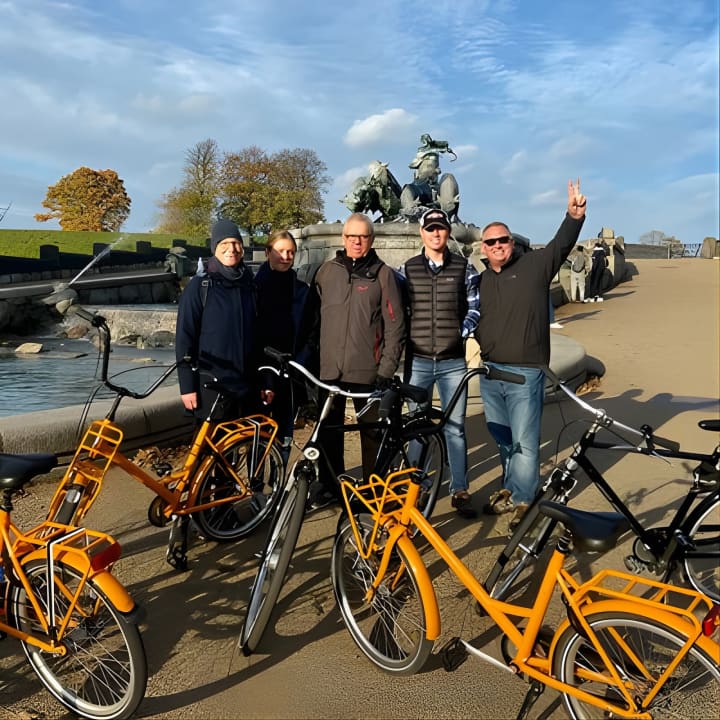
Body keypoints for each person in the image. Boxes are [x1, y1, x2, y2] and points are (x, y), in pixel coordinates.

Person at [474, 179, 587, 530]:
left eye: (502, 240)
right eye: (490, 242)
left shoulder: (535, 266)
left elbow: (560, 245)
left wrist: (573, 216)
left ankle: (525, 499)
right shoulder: (481, 280)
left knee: (524, 440)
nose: (497, 246)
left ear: (511, 242)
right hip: (491, 372)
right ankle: (512, 487)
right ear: (483, 247)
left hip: (525, 373)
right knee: (504, 438)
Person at [311, 212, 406, 509]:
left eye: (362, 237)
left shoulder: (383, 274)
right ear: (343, 238)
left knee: (372, 435)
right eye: (351, 236)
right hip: (329, 369)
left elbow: (395, 325)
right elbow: (315, 320)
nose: (356, 242)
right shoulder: (327, 272)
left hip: (368, 371)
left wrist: (387, 369)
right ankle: (330, 485)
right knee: (328, 431)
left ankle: (375, 490)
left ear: (371, 240)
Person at [397, 208, 481, 518]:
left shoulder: (464, 268)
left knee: (455, 428)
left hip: (452, 361)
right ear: (421, 233)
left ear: (448, 233)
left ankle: (459, 488)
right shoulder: (406, 269)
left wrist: (464, 328)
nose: (435, 233)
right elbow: (397, 309)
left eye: (441, 228)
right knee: (417, 428)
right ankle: (413, 489)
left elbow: (475, 307)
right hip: (418, 360)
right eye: (430, 228)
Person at [175, 218, 261, 421]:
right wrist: (187, 386)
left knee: (247, 448)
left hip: (247, 384)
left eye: (236, 243)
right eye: (224, 244)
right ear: (215, 248)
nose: (231, 249)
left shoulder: (250, 285)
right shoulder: (200, 286)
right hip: (211, 386)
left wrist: (264, 381)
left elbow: (260, 336)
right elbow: (185, 338)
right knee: (210, 450)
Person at [254, 230, 319, 463]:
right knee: (257, 434)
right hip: (260, 370)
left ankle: (278, 481)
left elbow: (313, 331)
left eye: (290, 252)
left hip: (291, 370)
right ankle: (256, 484)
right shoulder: (253, 289)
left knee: (284, 433)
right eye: (280, 251)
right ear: (268, 252)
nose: (286, 256)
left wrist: (300, 362)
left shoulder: (302, 290)